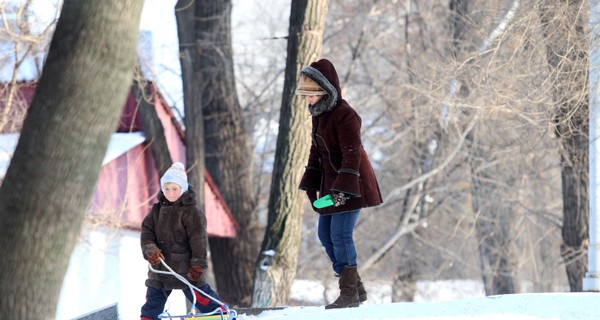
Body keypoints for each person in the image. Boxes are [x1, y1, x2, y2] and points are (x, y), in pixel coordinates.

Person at [296, 58, 383, 309]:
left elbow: (352, 155)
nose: (308, 100)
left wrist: (341, 190)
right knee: (325, 234)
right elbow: (316, 153)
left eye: (311, 95)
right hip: (330, 188)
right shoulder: (319, 116)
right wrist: (310, 185)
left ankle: (348, 293)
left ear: (325, 90)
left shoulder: (346, 115)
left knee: (340, 234)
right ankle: (356, 288)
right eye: (306, 95)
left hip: (350, 186)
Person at [140, 162, 224, 320]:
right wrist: (150, 249)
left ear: (183, 189)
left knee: (200, 295)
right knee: (153, 299)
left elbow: (198, 239)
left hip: (185, 267)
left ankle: (220, 313)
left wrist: (198, 263)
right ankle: (148, 318)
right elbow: (147, 232)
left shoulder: (191, 212)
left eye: (174, 189)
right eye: (166, 188)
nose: (170, 192)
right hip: (161, 266)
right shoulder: (156, 211)